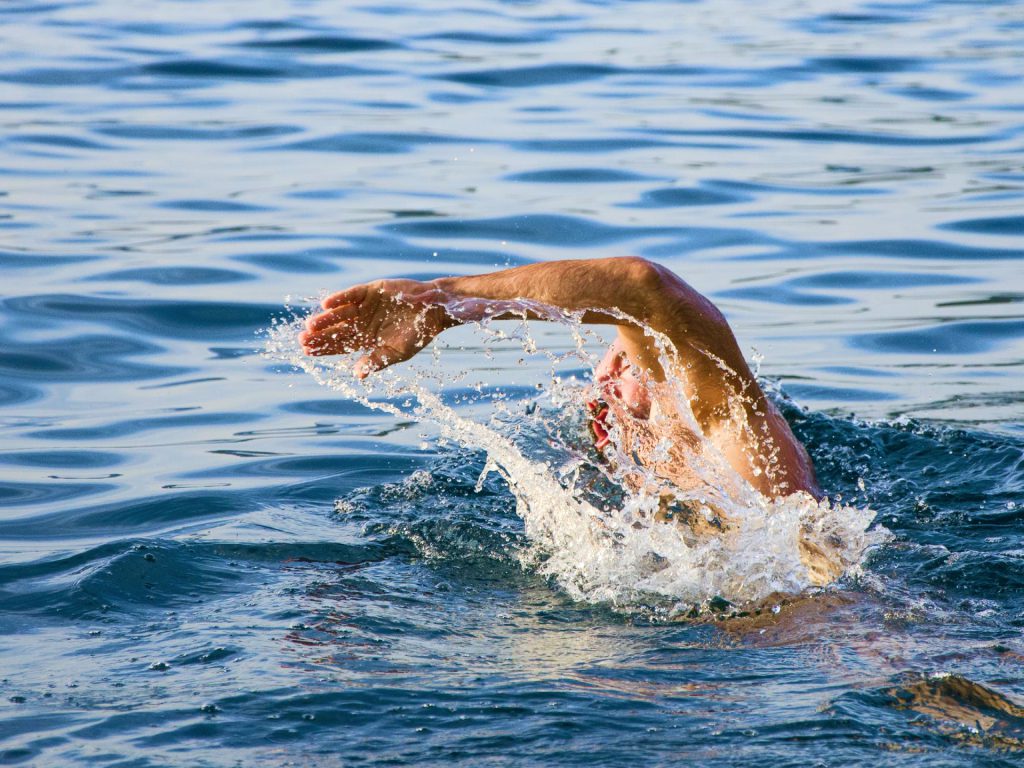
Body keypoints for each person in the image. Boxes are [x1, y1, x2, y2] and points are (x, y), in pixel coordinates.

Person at [299, 257, 821, 504]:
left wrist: (443, 300)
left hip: (825, 618)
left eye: (632, 353)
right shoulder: (654, 497)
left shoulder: (735, 431)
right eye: (609, 364)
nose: (612, 371)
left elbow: (645, 290)